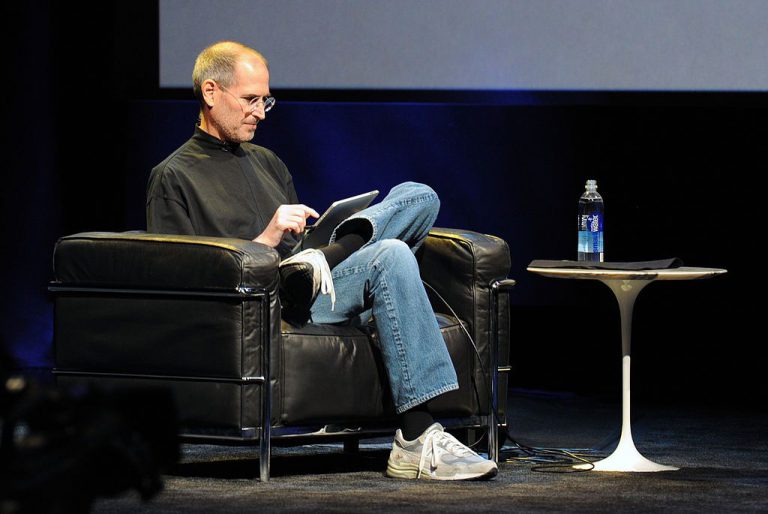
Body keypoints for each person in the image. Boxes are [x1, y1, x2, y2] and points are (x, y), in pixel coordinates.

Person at [146, 41, 497, 481]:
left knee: (419, 195)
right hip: (265, 299)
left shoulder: (268, 162)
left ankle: (329, 253)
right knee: (390, 254)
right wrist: (265, 242)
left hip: (315, 283)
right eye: (250, 100)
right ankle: (416, 438)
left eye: (266, 100)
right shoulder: (173, 176)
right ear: (211, 92)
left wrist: (312, 245)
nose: (261, 113)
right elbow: (181, 280)